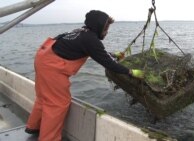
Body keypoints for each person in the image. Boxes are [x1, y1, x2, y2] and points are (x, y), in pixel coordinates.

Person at [24, 10, 144, 141]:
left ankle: (33, 127)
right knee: (57, 103)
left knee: (43, 97)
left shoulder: (81, 32)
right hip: (51, 67)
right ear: (98, 27)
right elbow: (108, 63)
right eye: (106, 28)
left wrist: (114, 54)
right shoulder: (91, 39)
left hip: (42, 57)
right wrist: (131, 72)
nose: (107, 32)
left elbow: (96, 51)